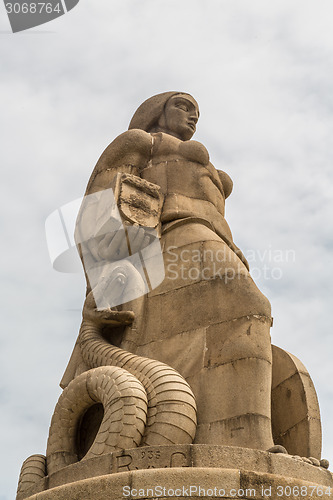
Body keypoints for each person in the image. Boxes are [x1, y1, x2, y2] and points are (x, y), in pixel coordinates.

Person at [63, 91, 275, 451]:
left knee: (248, 318)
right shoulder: (143, 143)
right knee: (251, 307)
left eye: (197, 112)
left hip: (214, 244)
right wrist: (102, 286)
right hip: (173, 239)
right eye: (183, 106)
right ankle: (243, 441)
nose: (192, 116)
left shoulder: (204, 168)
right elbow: (99, 207)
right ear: (155, 112)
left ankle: (245, 440)